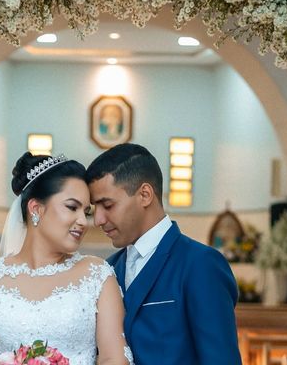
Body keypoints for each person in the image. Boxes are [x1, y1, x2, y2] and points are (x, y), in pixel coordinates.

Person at [0, 152, 133, 365]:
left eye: (86, 212)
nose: (83, 221)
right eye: (72, 207)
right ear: (36, 209)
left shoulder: (97, 276)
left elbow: (114, 359)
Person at [85, 143, 242, 365]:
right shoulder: (107, 269)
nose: (98, 219)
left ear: (145, 195)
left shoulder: (200, 265)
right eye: (94, 209)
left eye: (107, 205)